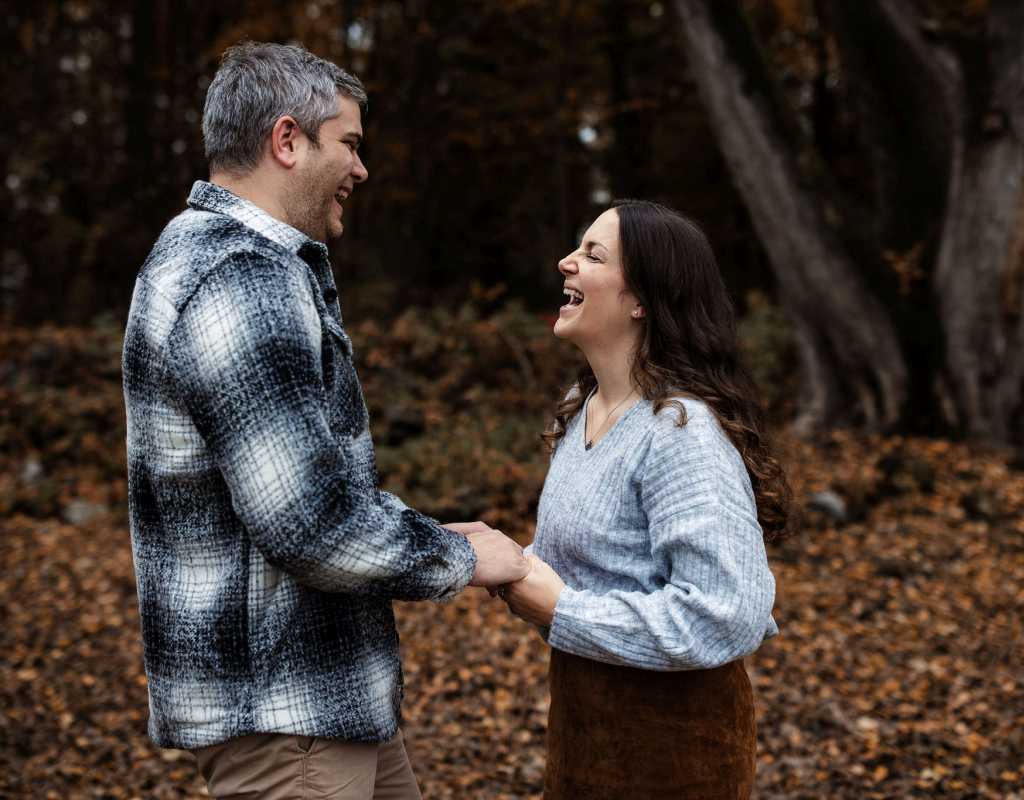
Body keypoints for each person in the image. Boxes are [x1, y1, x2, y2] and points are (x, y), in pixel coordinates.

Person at [121, 41, 529, 800]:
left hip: (326, 705)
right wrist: (467, 561)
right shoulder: (241, 276)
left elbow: (304, 486)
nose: (361, 168)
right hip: (288, 721)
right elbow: (310, 523)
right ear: (286, 141)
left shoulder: (214, 258)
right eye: (349, 144)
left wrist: (433, 531)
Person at [498, 200, 790, 799]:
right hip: (582, 729)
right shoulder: (583, 409)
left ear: (642, 300)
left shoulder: (680, 431)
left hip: (675, 751)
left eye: (592, 255)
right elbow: (599, 569)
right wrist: (510, 564)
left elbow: (724, 613)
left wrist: (560, 611)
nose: (566, 262)